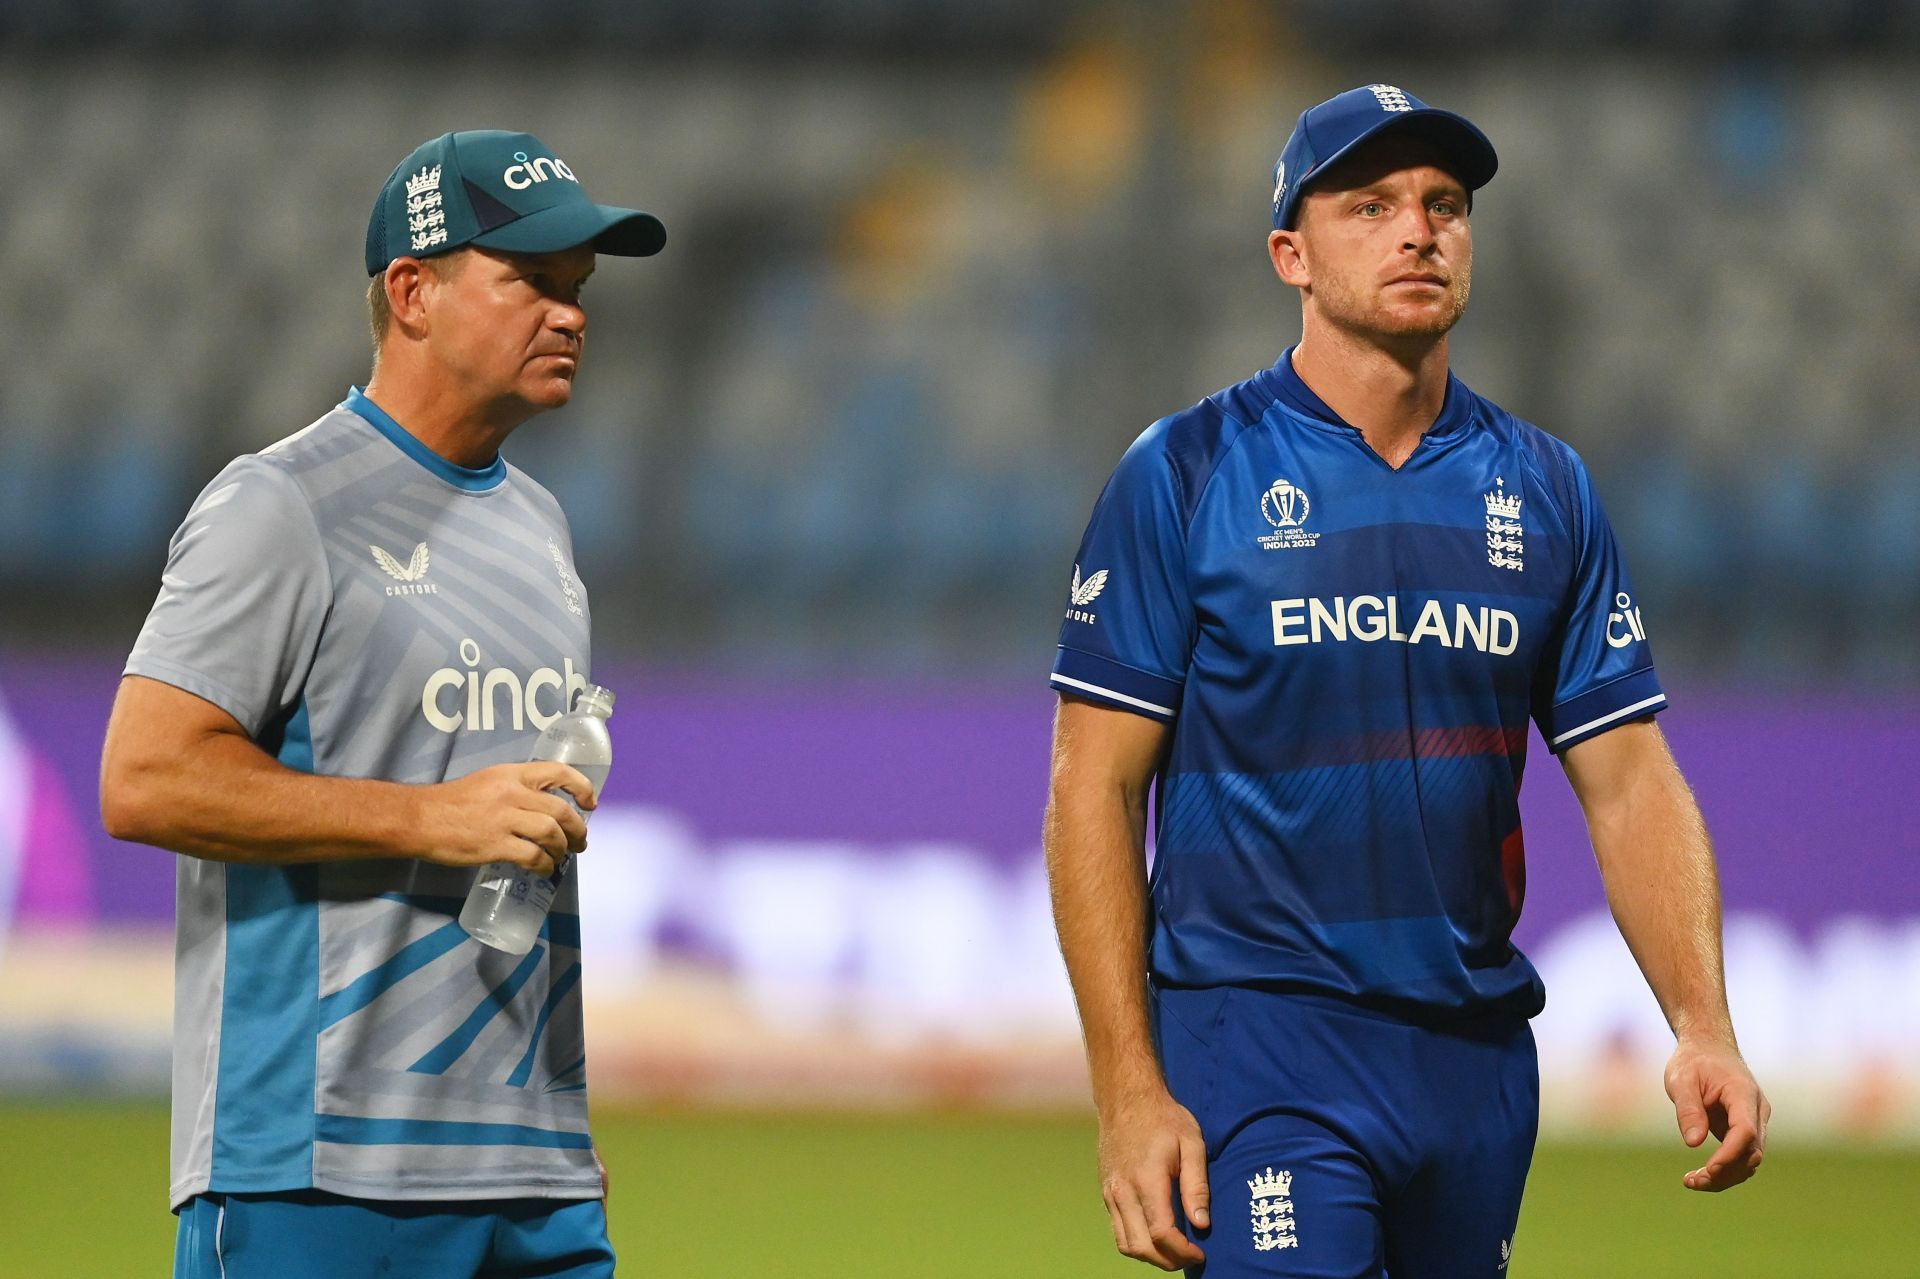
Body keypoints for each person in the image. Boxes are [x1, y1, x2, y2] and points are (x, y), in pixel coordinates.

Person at [1043, 85, 1768, 1277]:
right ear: (1292, 253)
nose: (1418, 231)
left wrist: (1704, 1022)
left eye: (1444, 205)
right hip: (1257, 1036)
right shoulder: (1185, 473)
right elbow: (1094, 792)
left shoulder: (1546, 490)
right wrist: (1129, 1091)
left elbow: (1630, 780)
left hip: (1471, 1060)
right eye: (1370, 205)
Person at [99, 130, 665, 1279]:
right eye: (534, 283)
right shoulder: (280, 506)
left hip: (532, 1179)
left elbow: (515, 859)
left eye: (579, 290)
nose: (571, 315)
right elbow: (144, 775)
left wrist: (547, 1130)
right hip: (316, 1175)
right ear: (413, 291)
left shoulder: (544, 531)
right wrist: (424, 819)